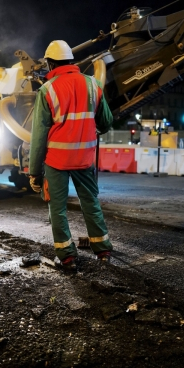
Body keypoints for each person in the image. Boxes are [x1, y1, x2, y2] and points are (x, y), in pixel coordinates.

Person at [28, 39, 114, 272]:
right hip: (84, 159)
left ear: (50, 63)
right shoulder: (92, 84)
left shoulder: (47, 90)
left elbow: (38, 137)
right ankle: (103, 250)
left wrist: (34, 172)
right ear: (71, 61)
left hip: (57, 161)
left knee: (58, 208)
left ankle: (67, 257)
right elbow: (106, 122)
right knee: (90, 202)